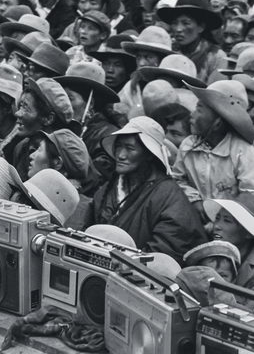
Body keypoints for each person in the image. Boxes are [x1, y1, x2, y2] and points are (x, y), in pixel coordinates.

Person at [91, 116, 208, 262]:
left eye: (130, 148)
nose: (120, 155)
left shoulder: (169, 196)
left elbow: (164, 252)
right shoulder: (108, 189)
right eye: (119, 146)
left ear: (148, 155)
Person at [174, 80, 254, 219]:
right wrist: (194, 200)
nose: (192, 115)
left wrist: (220, 219)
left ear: (217, 123)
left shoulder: (243, 151)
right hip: (195, 218)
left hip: (233, 223)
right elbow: (177, 179)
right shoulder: (188, 145)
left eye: (199, 109)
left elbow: (249, 194)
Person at [157, 0, 227, 84]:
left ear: (201, 27)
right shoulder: (167, 51)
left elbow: (216, 93)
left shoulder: (216, 57)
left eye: (186, 23)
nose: (178, 29)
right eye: (174, 23)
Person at [12, 77, 75, 178]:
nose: (17, 113)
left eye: (25, 108)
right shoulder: (21, 147)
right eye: (20, 106)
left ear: (48, 119)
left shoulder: (68, 154)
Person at [203, 196, 254, 293]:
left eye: (227, 221)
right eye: (217, 218)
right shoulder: (206, 254)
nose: (216, 226)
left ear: (248, 233)